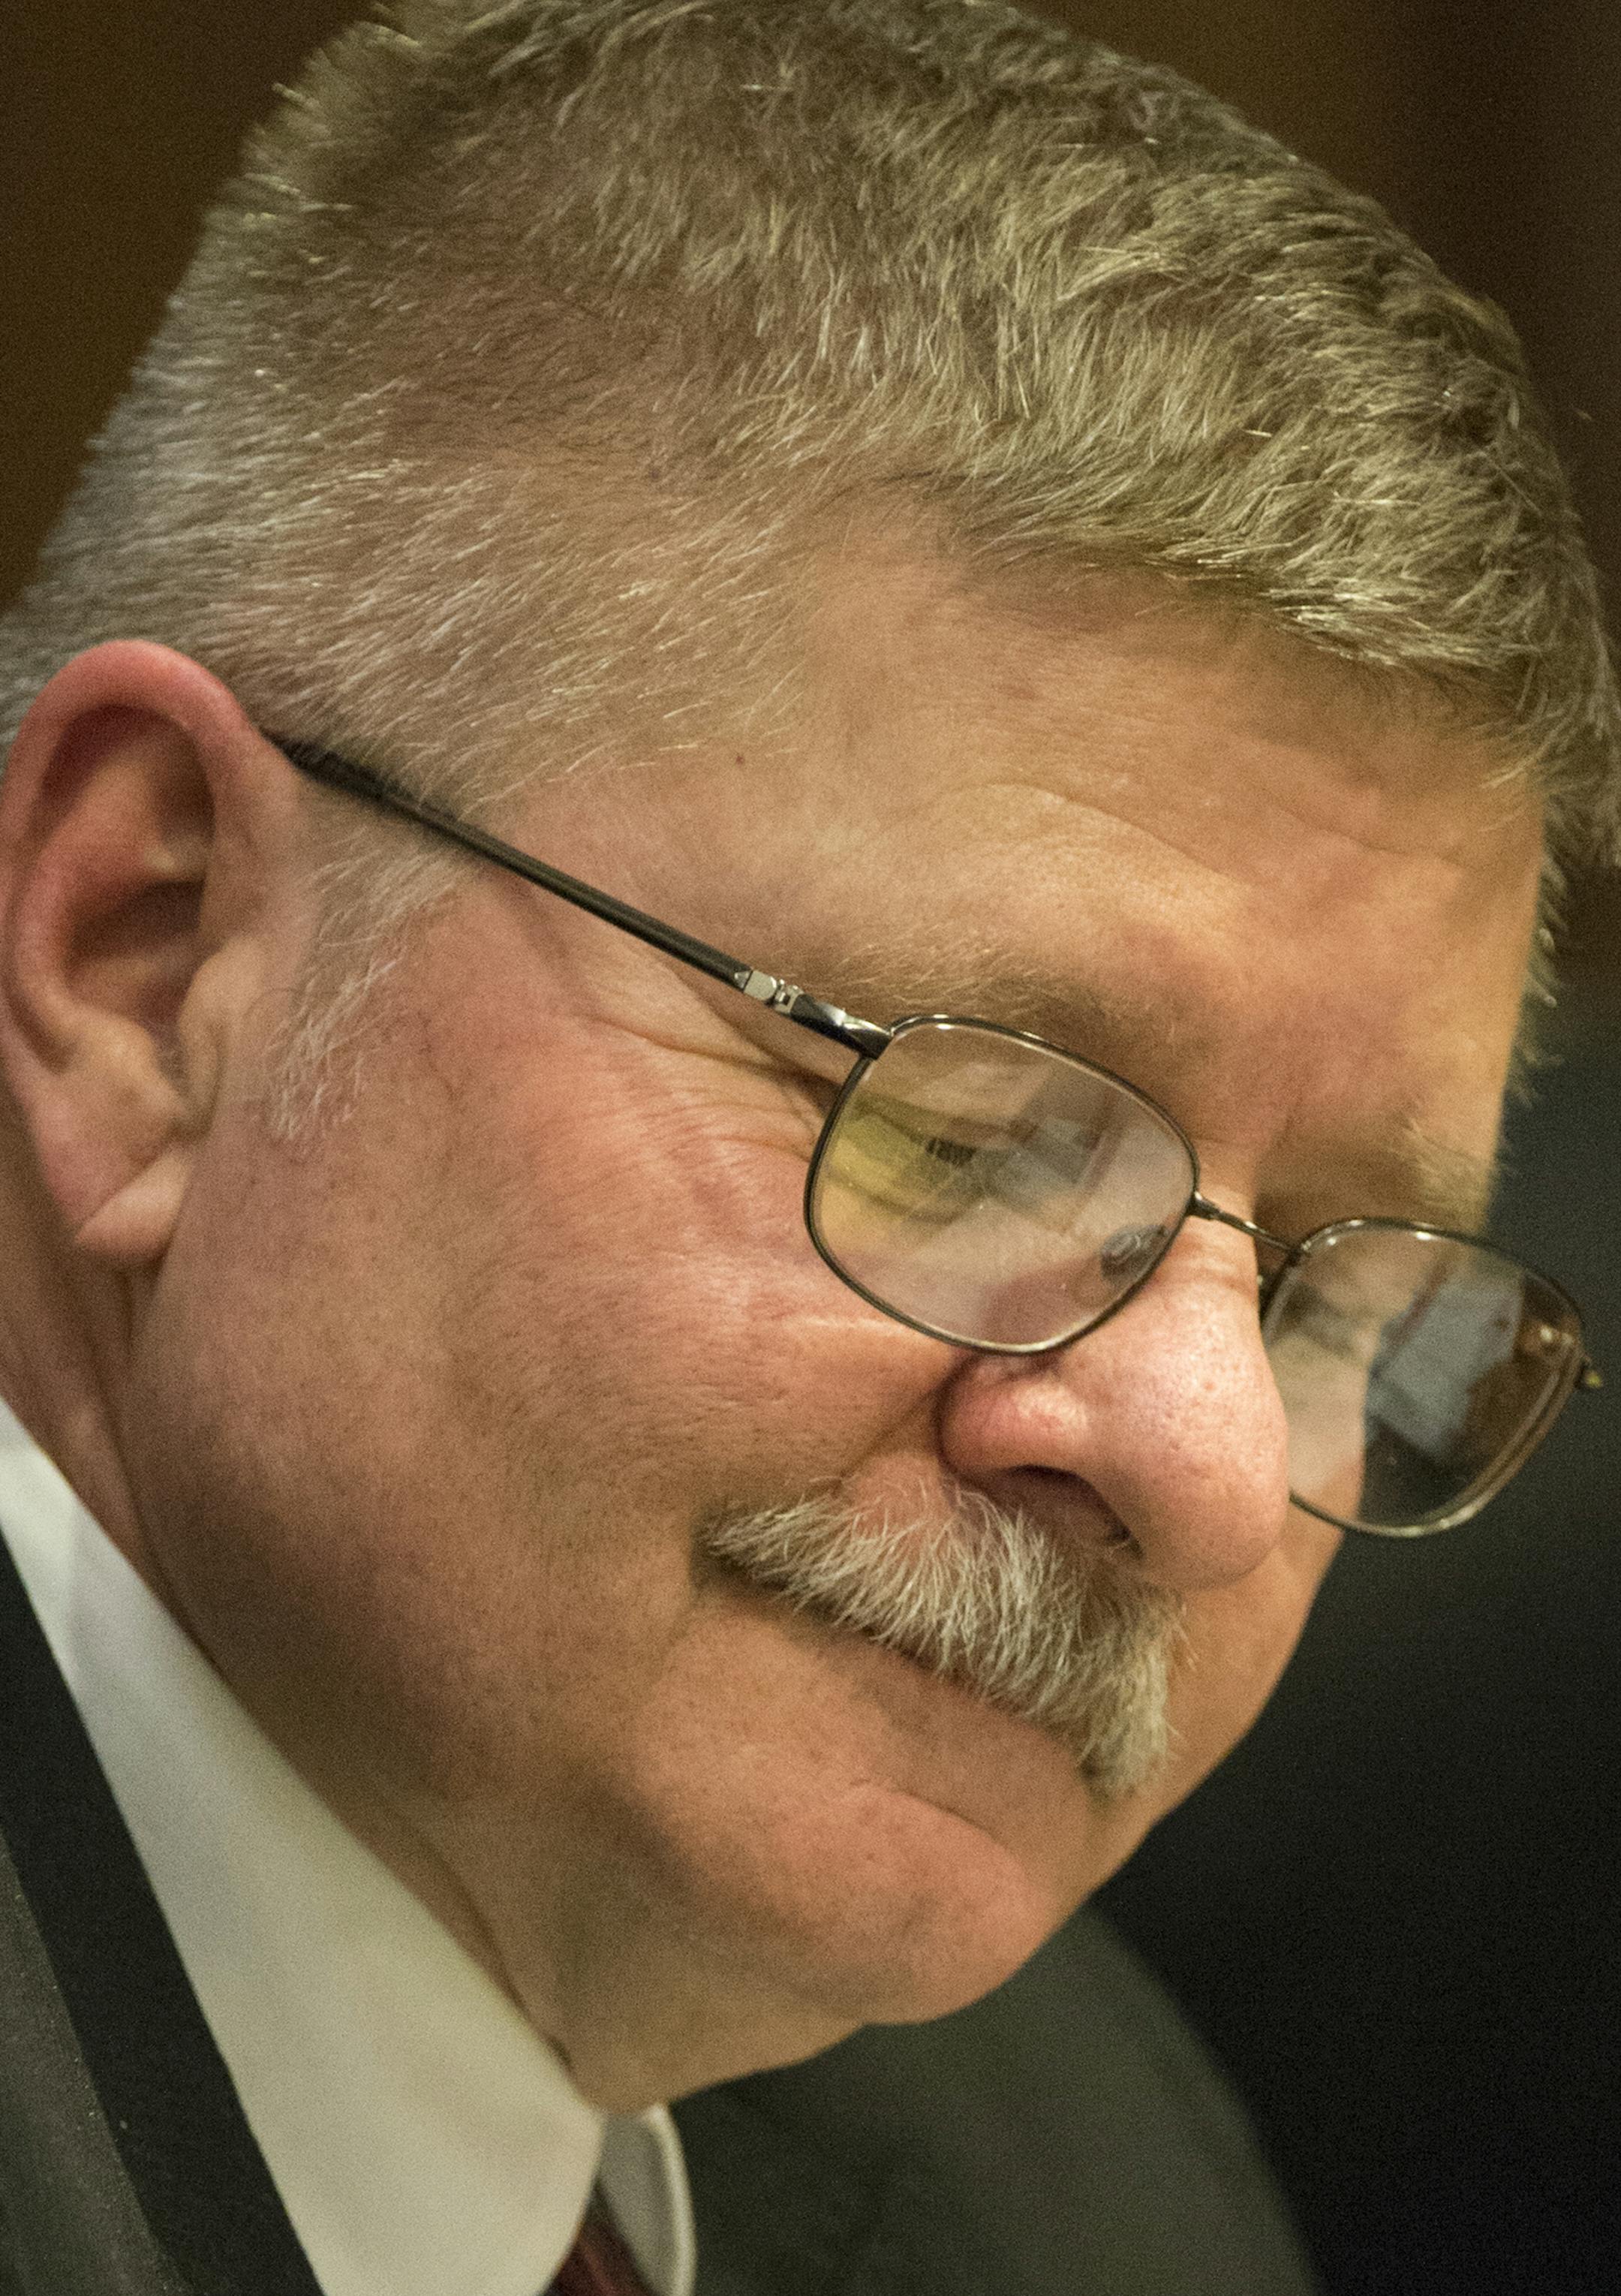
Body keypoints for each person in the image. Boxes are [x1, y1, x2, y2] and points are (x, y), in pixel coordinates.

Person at [0, 3, 1613, 2291]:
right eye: (979, 1130)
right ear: (152, 961)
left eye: (1343, 1273)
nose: (1211, 1456)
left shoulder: (1075, 2180)